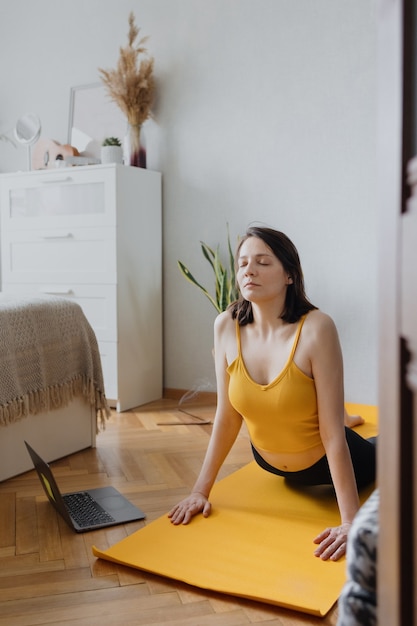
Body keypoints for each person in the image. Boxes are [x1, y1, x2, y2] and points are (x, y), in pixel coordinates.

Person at [168, 226, 376, 561]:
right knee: (323, 413)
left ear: (290, 275)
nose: (249, 270)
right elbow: (227, 414)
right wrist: (199, 491)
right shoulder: (225, 324)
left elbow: (331, 435)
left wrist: (350, 521)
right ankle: (343, 413)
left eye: (263, 262)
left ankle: (347, 417)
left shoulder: (317, 327)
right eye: (243, 263)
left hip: (324, 461)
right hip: (268, 463)